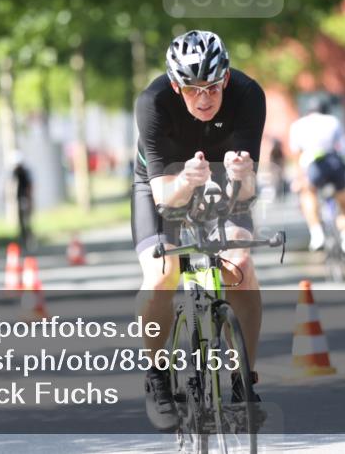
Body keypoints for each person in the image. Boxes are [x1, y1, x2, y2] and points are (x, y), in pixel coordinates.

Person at [132, 30, 265, 431]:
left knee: (239, 261)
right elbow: (163, 197)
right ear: (176, 86)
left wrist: (242, 177)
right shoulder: (153, 104)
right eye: (192, 90)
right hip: (164, 184)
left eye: (211, 87)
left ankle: (245, 380)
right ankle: (157, 375)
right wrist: (187, 182)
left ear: (225, 79)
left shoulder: (248, 95)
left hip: (223, 177)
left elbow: (246, 190)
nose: (203, 99)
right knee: (162, 275)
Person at [288, 98, 345, 256]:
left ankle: (317, 234)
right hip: (335, 164)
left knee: (308, 193)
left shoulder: (298, 125)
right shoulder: (333, 121)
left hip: (315, 166)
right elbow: (344, 148)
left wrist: (299, 179)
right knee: (344, 205)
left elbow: (297, 155)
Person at [10, 152, 34, 251]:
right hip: (19, 198)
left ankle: (29, 238)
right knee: (21, 220)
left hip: (25, 198)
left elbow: (29, 185)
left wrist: (29, 199)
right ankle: (23, 237)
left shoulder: (25, 172)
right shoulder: (14, 172)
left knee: (27, 219)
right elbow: (11, 184)